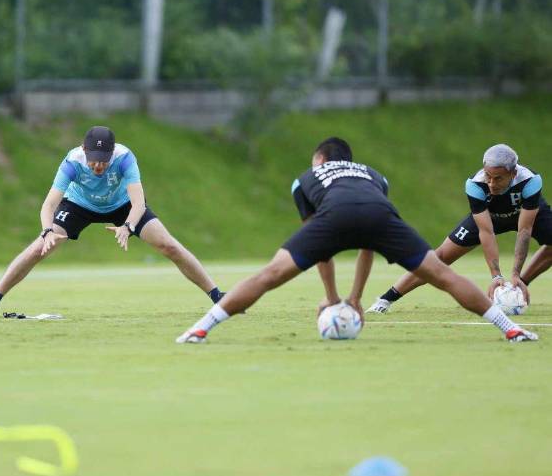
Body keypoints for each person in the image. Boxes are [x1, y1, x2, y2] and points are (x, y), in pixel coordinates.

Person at [176, 137, 538, 344]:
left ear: (319, 159)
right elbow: (368, 244)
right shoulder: (373, 174)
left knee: (270, 275)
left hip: (334, 214)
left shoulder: (305, 179)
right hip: (379, 215)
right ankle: (511, 329)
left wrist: (334, 298)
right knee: (442, 275)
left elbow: (322, 252)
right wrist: (355, 299)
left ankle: (201, 327)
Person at [0, 125, 225, 319]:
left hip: (122, 205)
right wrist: (47, 231)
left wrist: (128, 226)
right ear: (84, 150)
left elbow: (138, 203)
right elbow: (49, 205)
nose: (98, 165)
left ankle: (218, 297)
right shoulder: (72, 162)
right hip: (79, 205)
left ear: (111, 152)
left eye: (103, 160)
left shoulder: (125, 158)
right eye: (94, 159)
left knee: (168, 245)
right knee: (39, 248)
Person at [368, 144, 550, 314]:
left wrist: (515, 274)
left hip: (524, 214)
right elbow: (486, 232)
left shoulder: (530, 180)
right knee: (438, 258)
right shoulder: (475, 185)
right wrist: (496, 276)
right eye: (488, 176)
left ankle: (517, 286)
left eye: (498, 178)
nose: (492, 183)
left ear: (513, 173)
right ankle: (385, 300)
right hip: (490, 217)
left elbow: (524, 229)